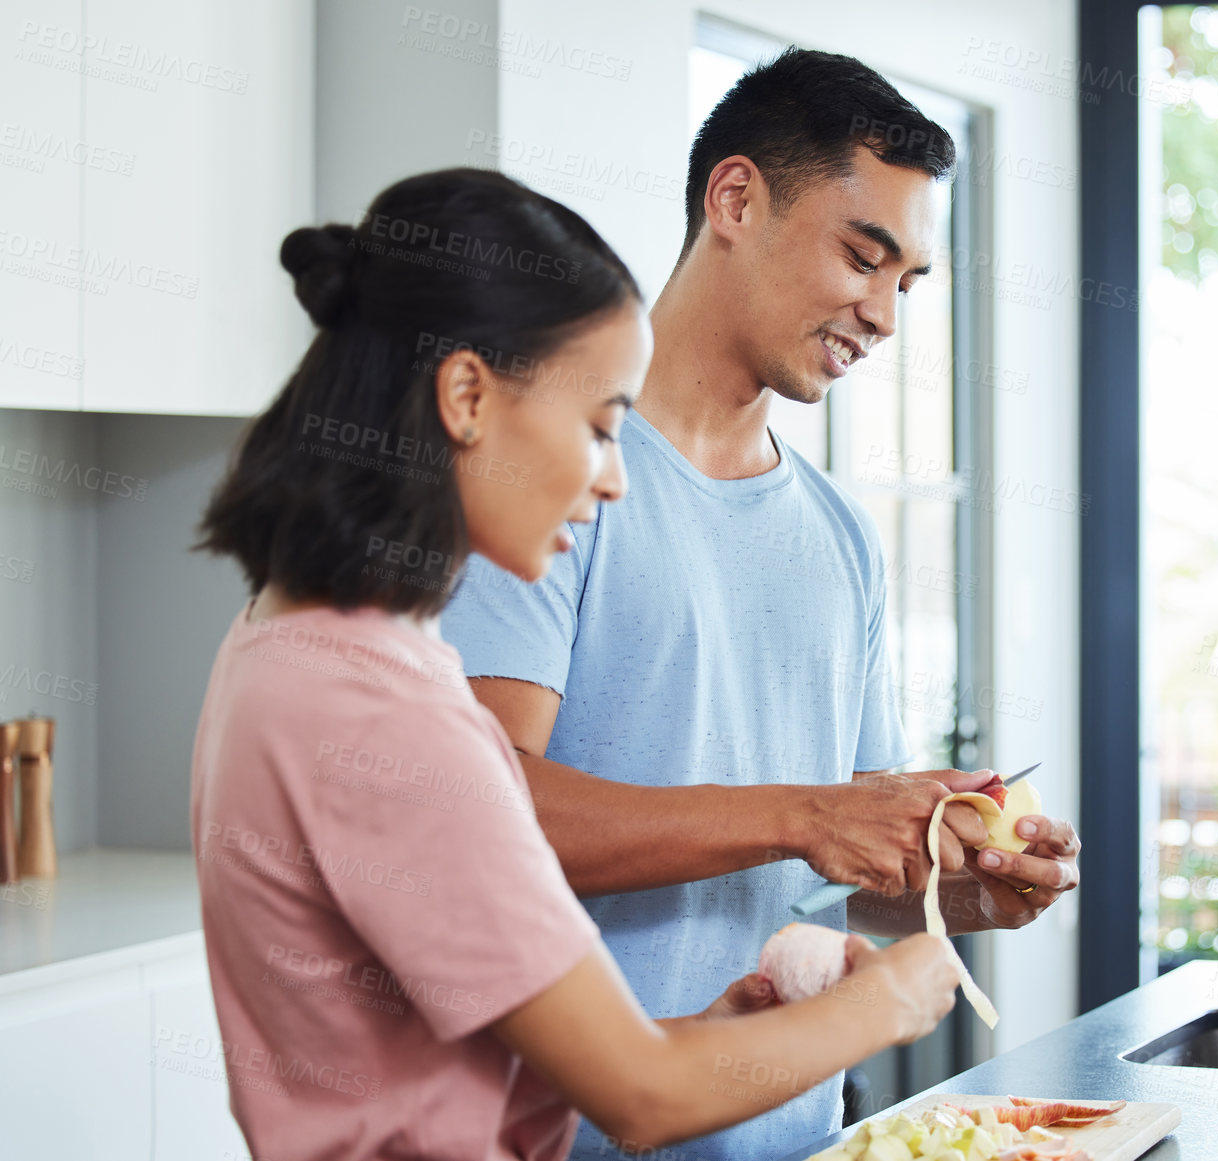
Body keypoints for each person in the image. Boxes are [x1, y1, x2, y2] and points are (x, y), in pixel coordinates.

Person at [190, 167, 960, 1161]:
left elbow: (461, 1068)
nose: (610, 479)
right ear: (466, 394)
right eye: (599, 426)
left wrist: (725, 1035)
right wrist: (891, 1001)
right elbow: (642, 1098)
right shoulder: (383, 709)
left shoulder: (286, 648)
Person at [440, 50, 1083, 1161]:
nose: (882, 314)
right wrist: (806, 812)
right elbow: (486, 816)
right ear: (734, 199)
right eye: (861, 255)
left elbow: (843, 873)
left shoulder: (840, 540)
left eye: (907, 283)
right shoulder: (549, 482)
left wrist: (970, 890)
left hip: (798, 1139)